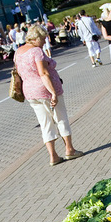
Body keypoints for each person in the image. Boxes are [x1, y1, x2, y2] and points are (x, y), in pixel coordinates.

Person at [14, 24, 83, 166]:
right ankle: (69, 149)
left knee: (45, 123)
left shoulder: (18, 52)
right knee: (60, 118)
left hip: (30, 92)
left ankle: (53, 156)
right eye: (44, 38)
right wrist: (53, 93)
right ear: (36, 38)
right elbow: (43, 73)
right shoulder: (36, 51)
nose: (45, 41)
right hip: (45, 89)